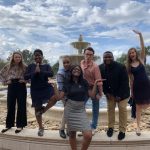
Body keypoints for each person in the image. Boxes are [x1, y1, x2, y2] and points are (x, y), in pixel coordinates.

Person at [58, 65, 102, 150]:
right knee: (72, 134)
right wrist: (55, 87)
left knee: (88, 135)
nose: (76, 70)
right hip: (70, 109)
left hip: (81, 110)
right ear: (71, 71)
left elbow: (92, 95)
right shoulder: (67, 82)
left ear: (81, 72)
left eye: (78, 69)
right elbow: (60, 97)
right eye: (74, 69)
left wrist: (95, 83)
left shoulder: (84, 82)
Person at [24, 49, 57, 136]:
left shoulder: (46, 65)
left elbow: (51, 74)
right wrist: (34, 72)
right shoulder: (31, 66)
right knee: (37, 108)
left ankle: (43, 110)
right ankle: (41, 127)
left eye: (39, 55)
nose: (37, 56)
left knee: (55, 98)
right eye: (36, 55)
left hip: (45, 87)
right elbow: (26, 76)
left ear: (42, 56)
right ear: (34, 57)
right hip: (35, 89)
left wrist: (41, 71)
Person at [99, 51, 130, 140]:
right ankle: (110, 128)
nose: (107, 59)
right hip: (110, 93)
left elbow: (124, 82)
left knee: (122, 109)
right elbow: (102, 82)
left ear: (113, 57)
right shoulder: (100, 67)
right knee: (110, 110)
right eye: (105, 57)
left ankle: (122, 130)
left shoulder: (121, 67)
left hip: (122, 93)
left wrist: (119, 96)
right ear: (103, 58)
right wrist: (106, 93)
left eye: (109, 57)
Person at [126, 30, 150, 136]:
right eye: (130, 53)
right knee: (138, 108)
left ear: (136, 53)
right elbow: (131, 80)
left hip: (147, 85)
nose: (132, 54)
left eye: (133, 52)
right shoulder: (129, 66)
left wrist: (140, 35)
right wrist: (131, 92)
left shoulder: (141, 59)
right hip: (137, 87)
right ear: (129, 55)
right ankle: (138, 127)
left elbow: (143, 47)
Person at [0, 51, 27, 133]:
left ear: (21, 58)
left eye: (19, 57)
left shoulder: (25, 66)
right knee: (10, 105)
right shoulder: (8, 66)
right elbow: (1, 74)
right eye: (16, 57)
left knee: (21, 105)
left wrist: (25, 80)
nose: (18, 58)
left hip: (21, 86)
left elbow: (30, 76)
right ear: (13, 57)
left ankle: (20, 125)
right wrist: (5, 82)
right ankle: (8, 125)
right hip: (11, 86)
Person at [80, 47, 102, 135]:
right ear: (84, 54)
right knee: (81, 107)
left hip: (94, 88)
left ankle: (93, 127)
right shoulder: (81, 63)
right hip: (85, 89)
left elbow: (99, 81)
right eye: (87, 54)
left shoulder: (95, 67)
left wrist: (100, 93)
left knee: (95, 109)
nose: (88, 56)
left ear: (93, 56)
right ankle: (85, 126)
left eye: (90, 54)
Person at [57, 56, 71, 138]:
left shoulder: (72, 70)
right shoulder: (60, 73)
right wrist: (64, 98)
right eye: (64, 63)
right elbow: (61, 87)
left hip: (72, 93)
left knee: (69, 111)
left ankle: (68, 129)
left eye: (67, 62)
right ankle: (62, 129)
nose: (66, 64)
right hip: (63, 93)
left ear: (70, 62)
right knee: (67, 110)